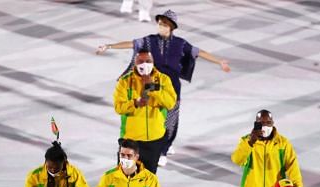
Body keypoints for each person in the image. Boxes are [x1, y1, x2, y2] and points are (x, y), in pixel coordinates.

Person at [97, 10, 230, 167]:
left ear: (171, 27)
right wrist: (109, 46)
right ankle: (157, 145)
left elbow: (198, 52)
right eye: (159, 23)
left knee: (171, 119)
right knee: (155, 116)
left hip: (171, 86)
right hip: (149, 84)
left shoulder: (180, 44)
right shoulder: (149, 41)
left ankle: (164, 149)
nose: (160, 27)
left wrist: (218, 61)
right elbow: (132, 44)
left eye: (164, 24)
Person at [112, 49, 177, 174]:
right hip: (131, 139)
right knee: (124, 176)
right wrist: (135, 103)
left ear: (153, 62)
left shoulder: (163, 80)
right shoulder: (125, 81)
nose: (144, 64)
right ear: (135, 63)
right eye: (140, 61)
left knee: (148, 177)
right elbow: (119, 107)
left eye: (148, 61)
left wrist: (152, 88)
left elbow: (170, 103)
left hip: (154, 139)